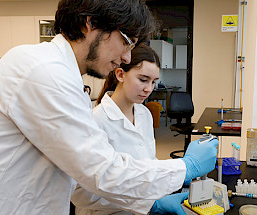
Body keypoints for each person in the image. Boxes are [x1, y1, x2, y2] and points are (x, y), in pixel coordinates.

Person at [0, 0, 218, 214]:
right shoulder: (42, 71)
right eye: (126, 40)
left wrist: (149, 203)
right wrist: (184, 167)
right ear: (89, 23)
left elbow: (82, 178)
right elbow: (103, 171)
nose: (126, 56)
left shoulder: (66, 79)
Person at [72, 44, 188, 215]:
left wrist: (169, 181)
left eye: (153, 82)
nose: (149, 89)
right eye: (143, 80)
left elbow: (148, 162)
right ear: (120, 74)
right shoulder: (95, 121)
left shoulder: (144, 114)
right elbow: (81, 192)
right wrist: (147, 203)